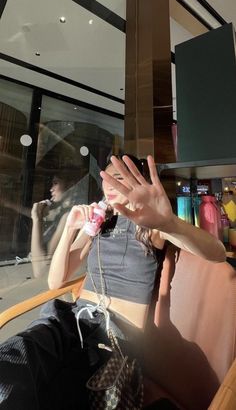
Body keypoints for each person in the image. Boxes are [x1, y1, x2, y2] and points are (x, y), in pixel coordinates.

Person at [0, 155, 226, 410]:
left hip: (116, 338)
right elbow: (55, 281)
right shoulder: (98, 222)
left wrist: (169, 223)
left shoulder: (150, 224)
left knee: (63, 389)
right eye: (107, 178)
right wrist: (71, 229)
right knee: (15, 358)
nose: (110, 184)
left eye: (120, 177)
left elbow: (217, 253)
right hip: (72, 322)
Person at [30, 167, 88, 278]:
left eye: (55, 183)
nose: (51, 189)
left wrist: (37, 220)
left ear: (71, 186)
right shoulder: (60, 213)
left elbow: (40, 270)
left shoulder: (69, 217)